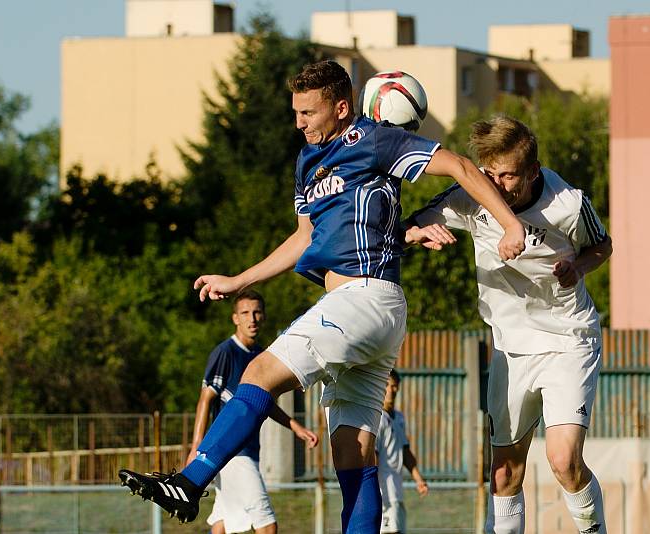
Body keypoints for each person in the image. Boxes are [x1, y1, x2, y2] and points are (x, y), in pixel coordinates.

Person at [119, 59, 525, 532]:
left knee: (259, 371)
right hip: (369, 309)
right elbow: (302, 240)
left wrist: (510, 223)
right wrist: (238, 281)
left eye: (309, 113)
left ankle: (190, 481)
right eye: (295, 112)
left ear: (341, 107)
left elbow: (457, 164)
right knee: (352, 457)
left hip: (363, 299)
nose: (299, 123)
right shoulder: (308, 161)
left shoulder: (372, 139)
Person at [405, 115, 612, 534]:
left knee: (563, 461)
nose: (497, 185)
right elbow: (411, 222)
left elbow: (602, 245)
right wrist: (416, 234)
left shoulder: (568, 204)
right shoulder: (472, 198)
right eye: (489, 174)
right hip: (511, 348)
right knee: (502, 475)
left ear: (533, 171)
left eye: (508, 175)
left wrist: (577, 263)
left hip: (567, 339)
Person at [188, 290, 318, 534]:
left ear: (264, 316)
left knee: (222, 522)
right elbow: (205, 399)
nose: (252, 318)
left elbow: (263, 402)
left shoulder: (261, 356)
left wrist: (295, 426)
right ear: (235, 318)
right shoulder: (225, 352)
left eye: (257, 312)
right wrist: (196, 447)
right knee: (267, 525)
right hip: (233, 452)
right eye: (245, 313)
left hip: (244, 451)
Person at [375, 370, 428, 534]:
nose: (391, 391)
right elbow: (372, 457)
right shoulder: (377, 418)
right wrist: (371, 491)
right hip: (383, 494)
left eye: (394, 386)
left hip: (396, 492)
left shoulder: (399, 417)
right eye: (387, 386)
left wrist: (419, 480)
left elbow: (405, 451)